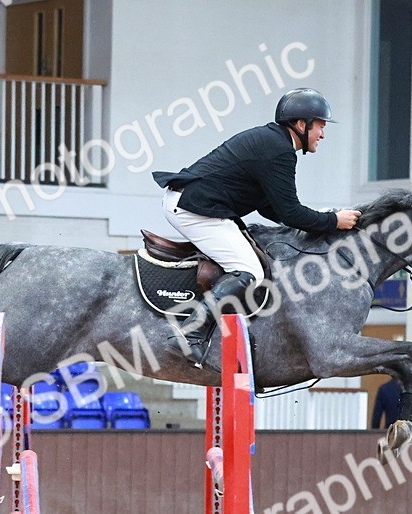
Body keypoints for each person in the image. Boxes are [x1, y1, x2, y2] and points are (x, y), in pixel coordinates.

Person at [152, 87, 361, 367]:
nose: (322, 134)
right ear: (301, 125)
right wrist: (333, 221)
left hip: (196, 204)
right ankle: (190, 333)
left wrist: (314, 221)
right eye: (320, 127)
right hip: (194, 209)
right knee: (249, 269)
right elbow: (290, 211)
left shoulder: (273, 142)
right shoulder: (279, 151)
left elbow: (269, 207)